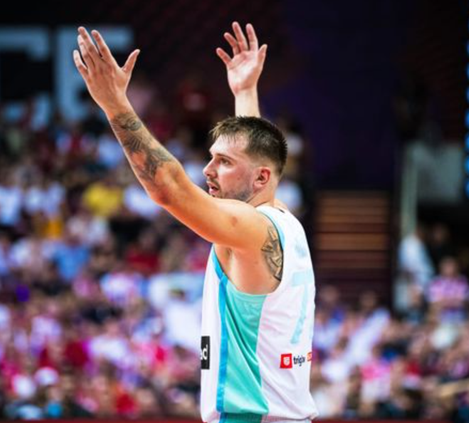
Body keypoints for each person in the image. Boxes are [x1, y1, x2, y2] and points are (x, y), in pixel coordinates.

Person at [74, 21, 317, 423]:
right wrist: (245, 92)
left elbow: (168, 188)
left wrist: (114, 103)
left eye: (223, 162)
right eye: (211, 158)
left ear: (260, 177)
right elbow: (258, 165)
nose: (207, 170)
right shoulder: (283, 221)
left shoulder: (251, 228)